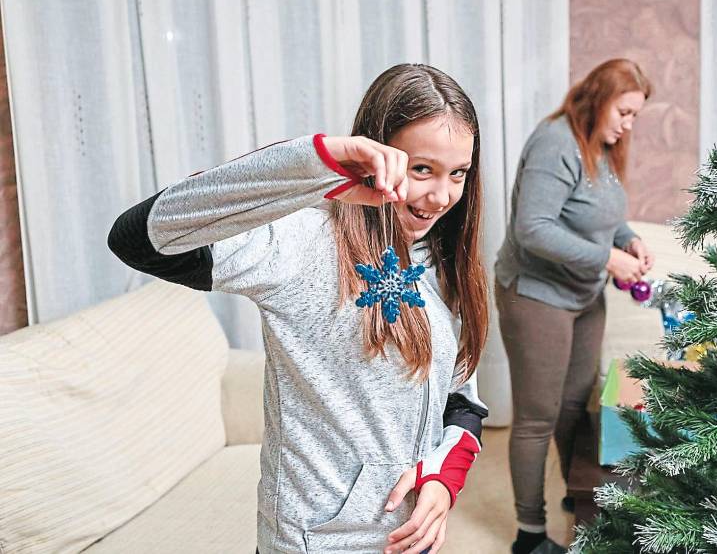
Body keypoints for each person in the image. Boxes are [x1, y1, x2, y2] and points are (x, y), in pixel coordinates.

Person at [108, 63, 489, 554]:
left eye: (457, 174)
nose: (441, 196)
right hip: (314, 543)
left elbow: (461, 400)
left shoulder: (444, 261)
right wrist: (315, 166)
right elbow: (139, 239)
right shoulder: (302, 243)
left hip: (410, 539)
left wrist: (442, 479)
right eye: (422, 170)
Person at [494, 58, 654, 554]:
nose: (628, 125)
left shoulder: (599, 145)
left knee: (574, 404)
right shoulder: (556, 143)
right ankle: (530, 534)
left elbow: (597, 213)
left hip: (585, 296)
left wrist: (627, 240)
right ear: (598, 99)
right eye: (624, 112)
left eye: (635, 116)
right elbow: (533, 228)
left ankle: (577, 495)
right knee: (537, 418)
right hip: (538, 296)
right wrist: (607, 259)